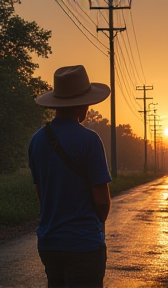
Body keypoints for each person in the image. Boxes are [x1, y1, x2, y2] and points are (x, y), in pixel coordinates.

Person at [28, 65, 112, 288]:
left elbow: (41, 193)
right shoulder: (89, 140)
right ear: (84, 104)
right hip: (83, 245)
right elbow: (102, 201)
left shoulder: (36, 140)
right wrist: (94, 226)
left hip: (48, 243)